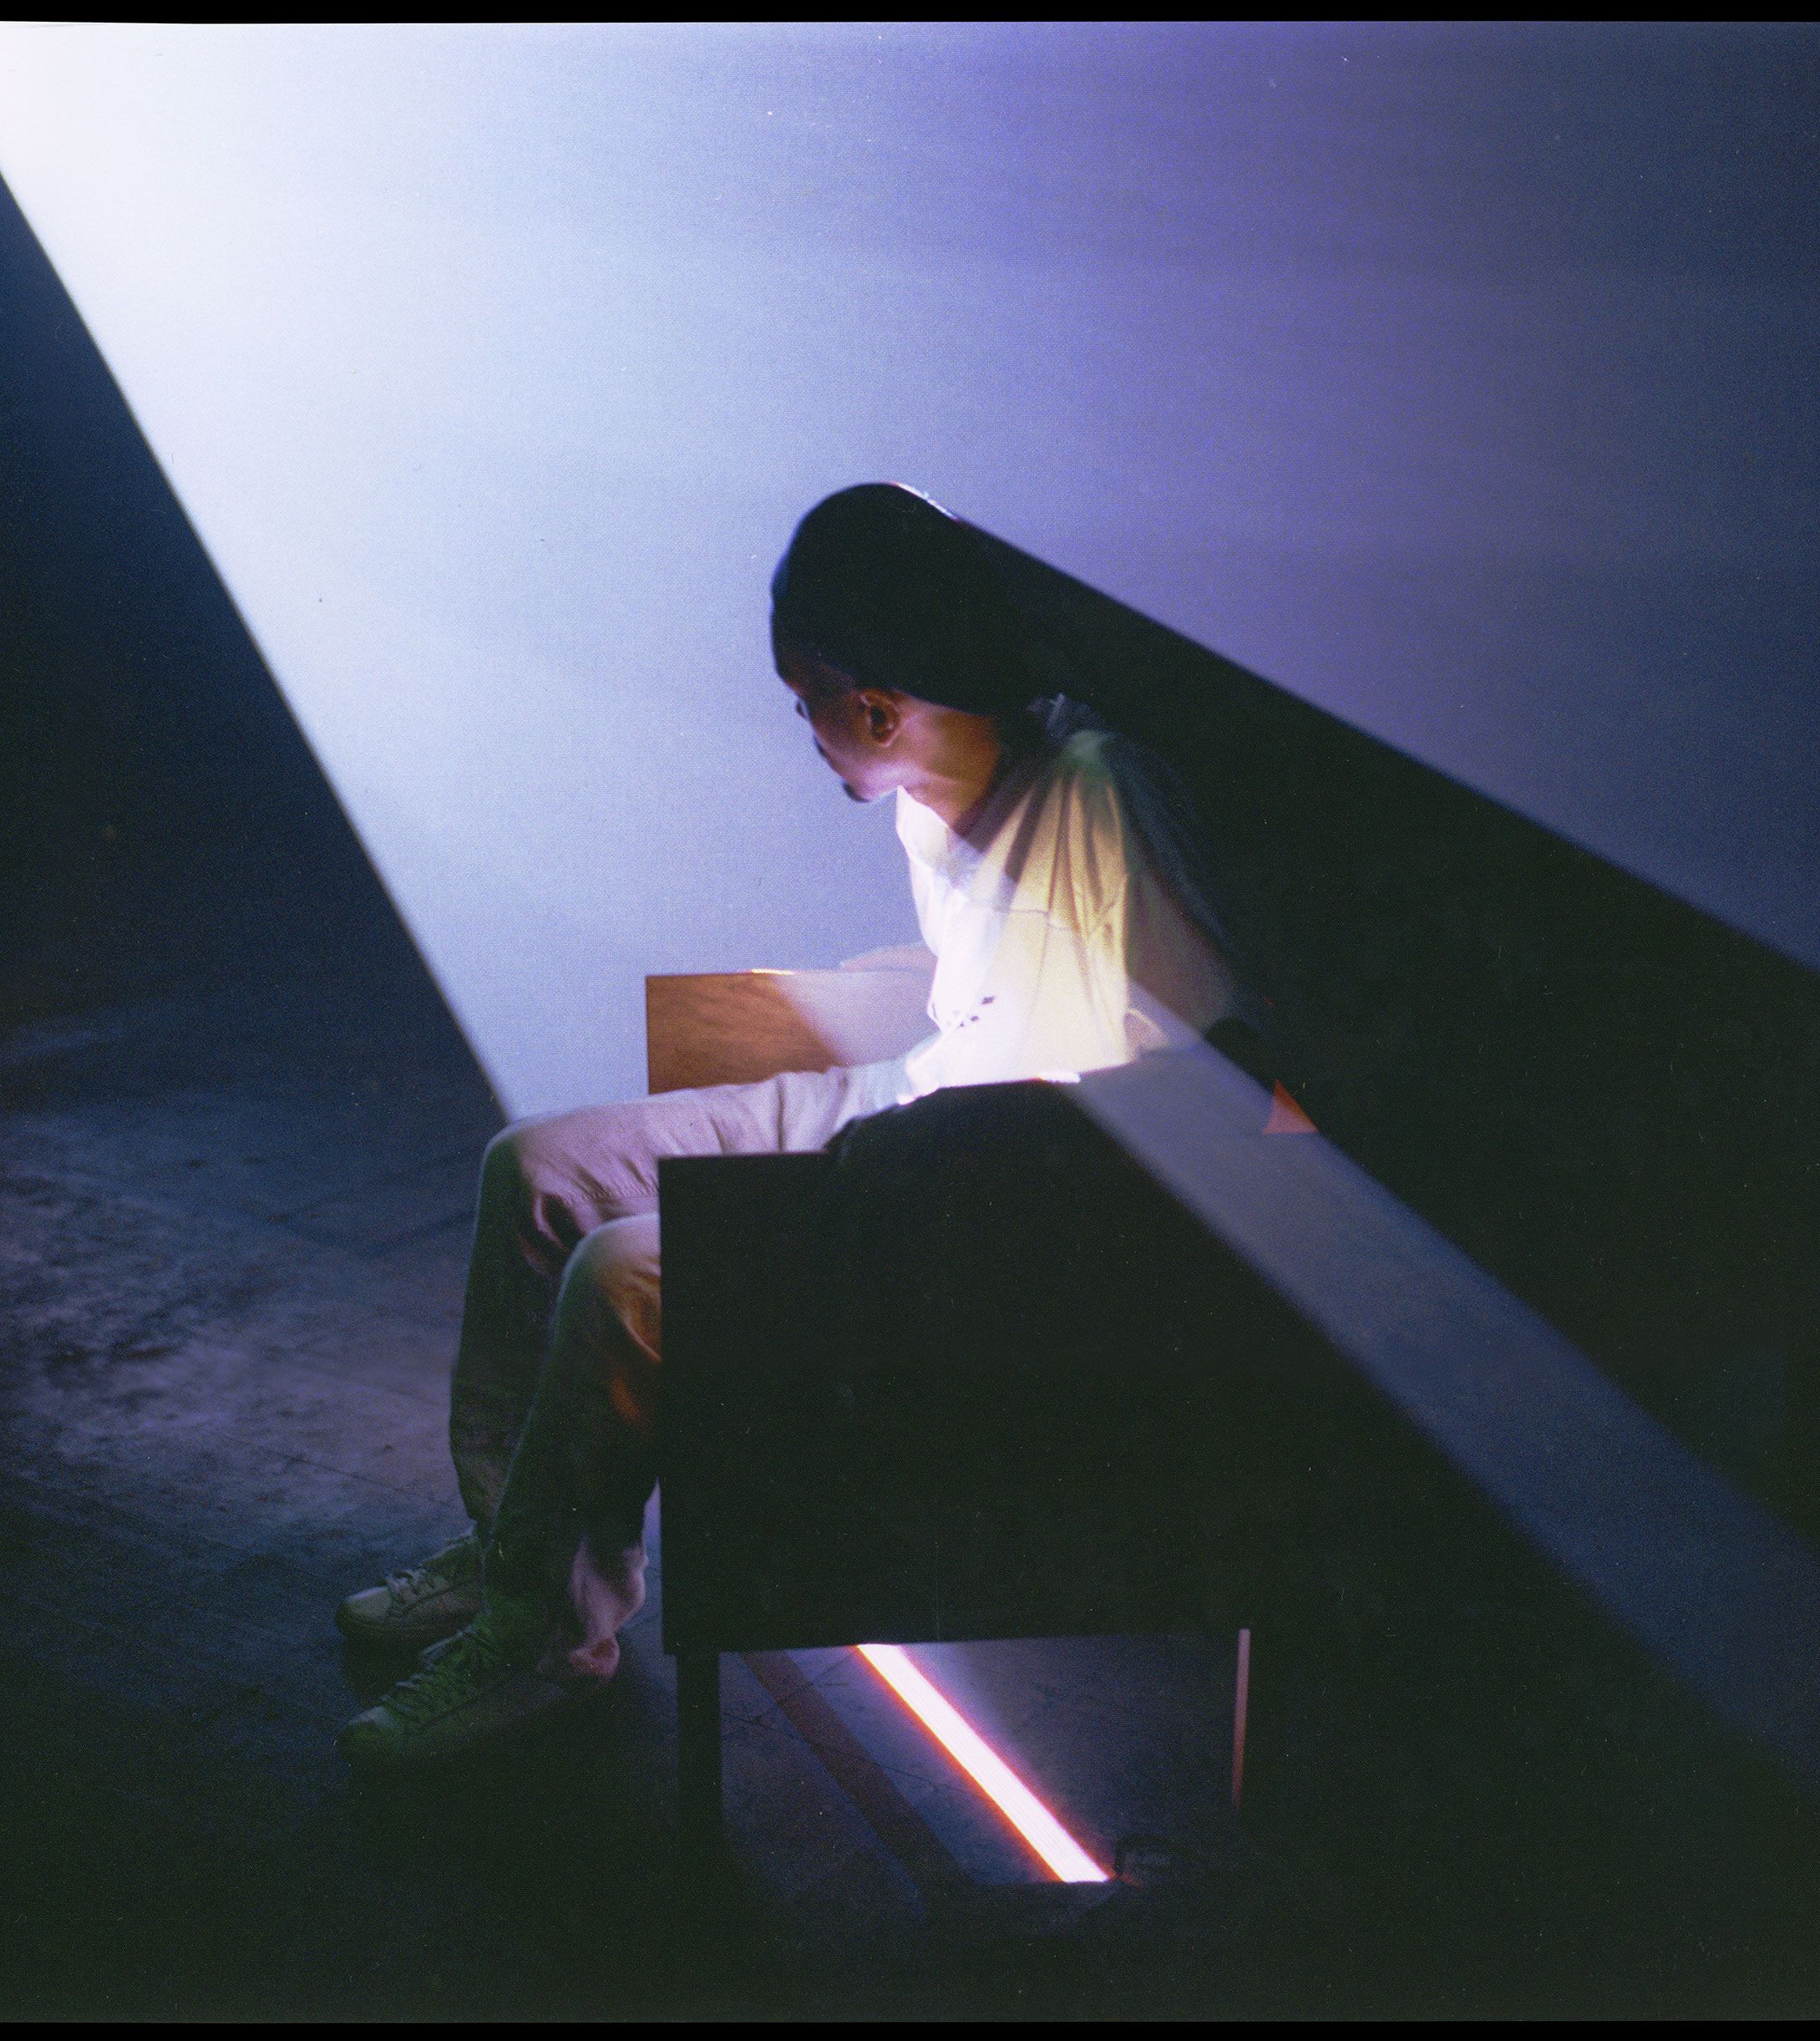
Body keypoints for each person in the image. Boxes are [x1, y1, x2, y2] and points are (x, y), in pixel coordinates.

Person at [333, 482, 1247, 1767]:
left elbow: (1216, 1076)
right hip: (911, 1102)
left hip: (1001, 1196)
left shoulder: (1100, 798)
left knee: (627, 1273)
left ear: (875, 706)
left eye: (804, 697)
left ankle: (544, 1643)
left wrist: (951, 1149)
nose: (801, 729)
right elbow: (983, 986)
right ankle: (513, 1557)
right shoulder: (931, 800)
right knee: (537, 1168)